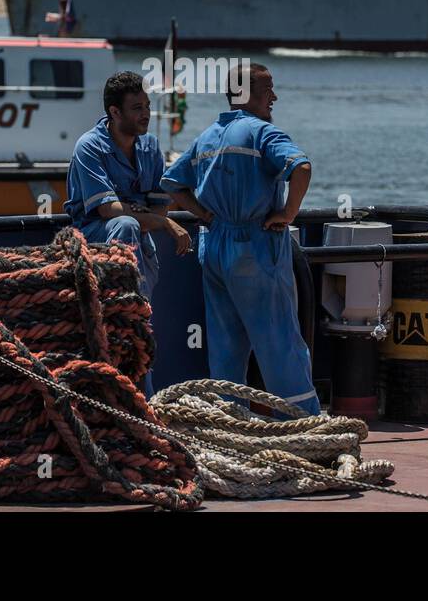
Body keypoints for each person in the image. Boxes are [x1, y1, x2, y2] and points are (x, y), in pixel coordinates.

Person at [161, 62, 319, 415]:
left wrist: (203, 214)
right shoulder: (262, 133)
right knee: (278, 339)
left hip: (214, 246)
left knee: (225, 343)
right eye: (268, 90)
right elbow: (301, 168)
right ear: (247, 95)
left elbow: (171, 183)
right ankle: (302, 422)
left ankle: (230, 419)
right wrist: (288, 214)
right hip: (256, 245)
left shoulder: (206, 137)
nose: (274, 97)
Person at [65, 71, 192, 302]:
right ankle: (126, 302)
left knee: (130, 224)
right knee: (125, 224)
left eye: (147, 106)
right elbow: (107, 210)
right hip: (95, 239)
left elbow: (160, 207)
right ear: (115, 112)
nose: (146, 114)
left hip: (141, 243)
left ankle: (133, 308)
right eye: (137, 108)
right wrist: (163, 223)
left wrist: (155, 218)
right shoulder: (89, 147)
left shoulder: (151, 146)